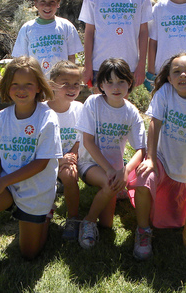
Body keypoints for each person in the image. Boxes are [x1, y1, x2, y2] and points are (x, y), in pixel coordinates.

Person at [0, 56, 62, 281]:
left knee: (29, 254)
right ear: (7, 86)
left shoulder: (47, 119)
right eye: (15, 84)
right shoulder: (1, 118)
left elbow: (41, 163)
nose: (21, 90)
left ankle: (46, 212)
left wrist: (2, 182)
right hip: (6, 185)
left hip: (35, 188)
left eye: (28, 84)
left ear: (39, 86)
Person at [128, 52, 186, 260]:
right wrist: (151, 158)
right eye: (176, 71)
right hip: (160, 158)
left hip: (183, 172)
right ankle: (143, 232)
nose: (183, 75)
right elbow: (154, 123)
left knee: (176, 220)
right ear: (169, 78)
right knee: (143, 180)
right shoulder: (165, 93)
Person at [76, 58, 146, 250]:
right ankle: (88, 222)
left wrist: (125, 170)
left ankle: (114, 191)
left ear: (129, 83)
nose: (116, 87)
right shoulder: (93, 103)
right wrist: (109, 170)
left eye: (121, 81)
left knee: (107, 224)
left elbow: (141, 149)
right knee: (110, 184)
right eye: (109, 82)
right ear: (101, 86)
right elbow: (88, 142)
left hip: (115, 170)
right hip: (89, 164)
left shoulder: (131, 112)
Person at [79, 0, 153, 88]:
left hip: (129, 65)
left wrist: (141, 64)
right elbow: (89, 32)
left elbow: (144, 32)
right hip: (99, 65)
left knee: (121, 107)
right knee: (100, 106)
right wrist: (87, 65)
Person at [45, 60, 84, 241]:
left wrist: (73, 155)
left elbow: (79, 138)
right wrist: (59, 160)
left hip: (69, 158)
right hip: (45, 160)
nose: (72, 88)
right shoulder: (42, 111)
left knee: (68, 174)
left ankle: (73, 218)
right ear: (52, 84)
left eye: (76, 84)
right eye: (65, 83)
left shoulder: (79, 109)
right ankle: (45, 207)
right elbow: (40, 146)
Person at [12, 0, 83, 75]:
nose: (47, 6)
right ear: (36, 3)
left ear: (58, 4)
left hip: (61, 83)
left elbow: (71, 58)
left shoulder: (66, 26)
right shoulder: (27, 28)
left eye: (52, 2)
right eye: (43, 1)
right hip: (37, 82)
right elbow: (20, 60)